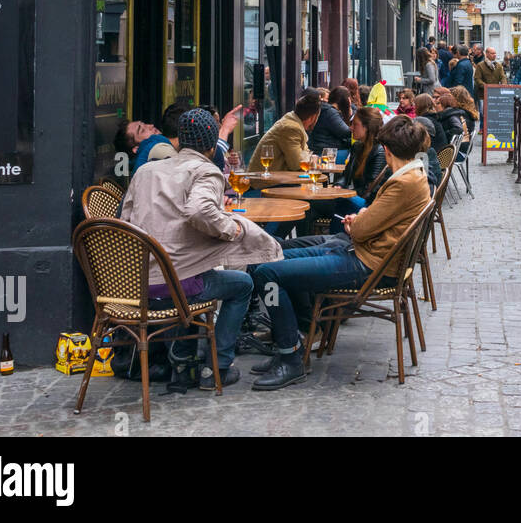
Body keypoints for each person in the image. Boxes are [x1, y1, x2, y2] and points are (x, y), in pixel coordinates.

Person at [249, 117, 432, 390]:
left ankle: (290, 354)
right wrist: (361, 220)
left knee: (268, 274)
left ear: (388, 149)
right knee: (272, 254)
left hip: (366, 264)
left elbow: (360, 231)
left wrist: (356, 223)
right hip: (365, 255)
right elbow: (372, 220)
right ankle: (299, 333)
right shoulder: (412, 176)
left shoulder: (403, 182)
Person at [120, 109, 282, 390]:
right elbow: (199, 209)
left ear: (179, 142)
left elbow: (125, 222)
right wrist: (233, 229)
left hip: (136, 285)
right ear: (210, 145)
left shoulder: (145, 171)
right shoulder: (206, 170)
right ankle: (216, 367)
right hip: (175, 288)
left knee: (199, 267)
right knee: (241, 283)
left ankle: (183, 355)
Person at [248, 95, 323, 177]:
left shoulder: (292, 122)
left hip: (274, 179)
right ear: (313, 117)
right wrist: (312, 158)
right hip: (264, 183)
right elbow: (297, 164)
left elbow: (305, 153)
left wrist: (307, 156)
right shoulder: (291, 128)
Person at [306, 88, 354, 163]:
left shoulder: (326, 110)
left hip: (319, 149)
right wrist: (351, 117)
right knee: (354, 153)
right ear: (346, 100)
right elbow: (346, 132)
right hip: (323, 152)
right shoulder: (330, 112)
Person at [196, 104, 244, 171]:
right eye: (216, 122)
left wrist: (234, 162)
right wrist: (225, 129)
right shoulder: (203, 149)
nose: (220, 126)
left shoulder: (222, 146)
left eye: (219, 122)